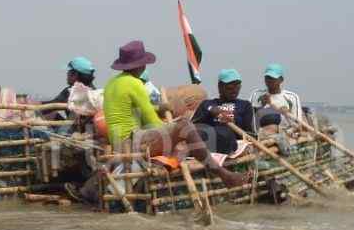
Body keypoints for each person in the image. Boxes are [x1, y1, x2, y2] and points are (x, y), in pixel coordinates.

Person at [101, 40, 250, 189]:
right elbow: (151, 120)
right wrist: (174, 131)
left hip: (118, 143)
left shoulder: (111, 84)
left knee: (183, 130)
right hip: (131, 142)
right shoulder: (134, 83)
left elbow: (135, 110)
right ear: (141, 65)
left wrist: (160, 110)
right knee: (185, 126)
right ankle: (225, 175)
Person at [191, 68, 255, 154]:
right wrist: (212, 110)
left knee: (225, 134)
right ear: (220, 87)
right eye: (230, 87)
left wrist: (234, 122)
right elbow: (193, 127)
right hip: (210, 141)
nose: (234, 90)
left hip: (230, 141)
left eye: (237, 86)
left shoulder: (245, 105)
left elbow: (248, 134)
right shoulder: (208, 104)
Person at [249, 63, 303, 134]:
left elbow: (298, 124)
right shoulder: (256, 94)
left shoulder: (292, 97)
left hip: (285, 135)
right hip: (260, 134)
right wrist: (261, 106)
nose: (269, 80)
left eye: (273, 78)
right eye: (267, 77)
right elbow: (250, 118)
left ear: (281, 80)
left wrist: (286, 113)